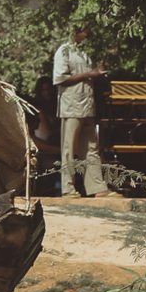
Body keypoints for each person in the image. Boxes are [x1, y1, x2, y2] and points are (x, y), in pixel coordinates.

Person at [52, 28, 109, 197]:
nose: (88, 36)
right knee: (69, 147)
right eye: (85, 33)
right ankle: (68, 188)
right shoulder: (64, 50)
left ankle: (97, 187)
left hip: (88, 105)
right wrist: (88, 74)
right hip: (71, 105)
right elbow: (60, 78)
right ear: (76, 32)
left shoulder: (88, 52)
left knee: (91, 147)